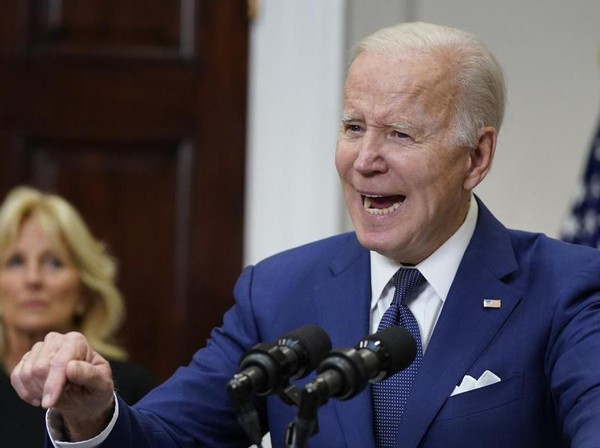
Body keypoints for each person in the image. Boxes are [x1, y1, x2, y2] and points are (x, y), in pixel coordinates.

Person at [10, 21, 600, 448]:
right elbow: (166, 436)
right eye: (352, 127)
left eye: (399, 134)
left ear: (477, 157)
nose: (364, 159)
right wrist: (94, 416)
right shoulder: (279, 291)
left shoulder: (563, 289)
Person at [0, 186, 156, 448]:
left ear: (84, 290)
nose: (33, 279)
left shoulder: (128, 390)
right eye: (15, 262)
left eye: (54, 262)